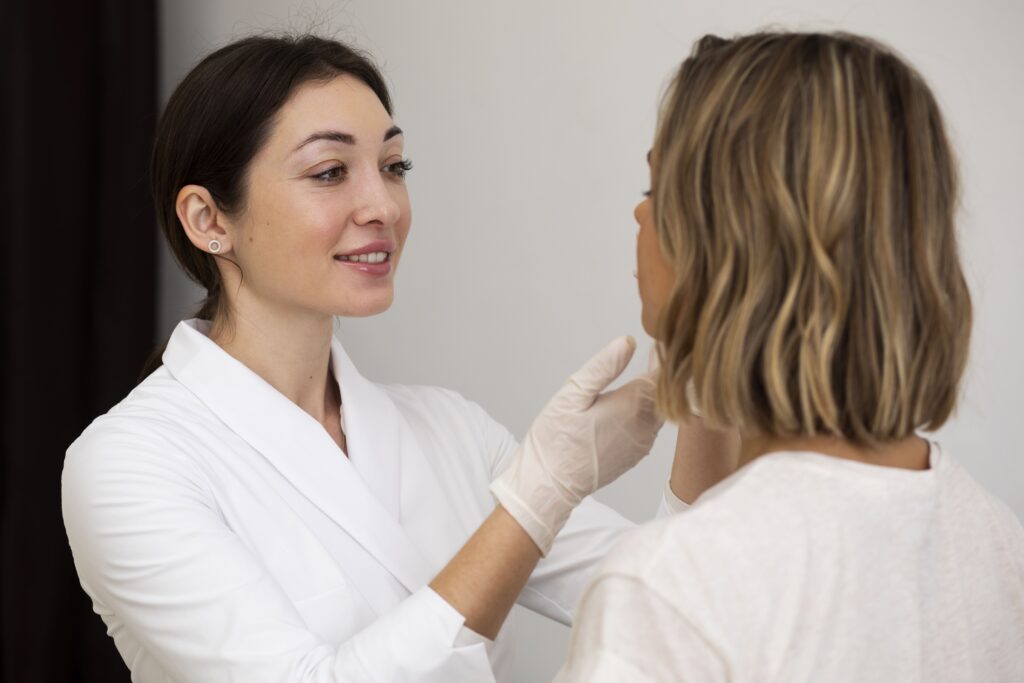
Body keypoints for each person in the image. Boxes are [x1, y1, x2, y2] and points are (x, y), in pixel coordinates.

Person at [61, 34, 736, 682]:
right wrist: (540, 495)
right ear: (209, 219)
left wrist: (708, 390)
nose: (383, 205)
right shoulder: (128, 463)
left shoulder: (449, 430)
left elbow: (679, 607)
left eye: (393, 166)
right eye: (330, 172)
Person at [556, 31, 1024, 682]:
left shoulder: (665, 591)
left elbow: (732, 574)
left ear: (729, 238)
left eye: (656, 187)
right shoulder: (997, 539)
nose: (639, 215)